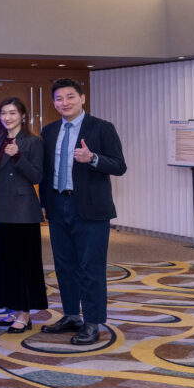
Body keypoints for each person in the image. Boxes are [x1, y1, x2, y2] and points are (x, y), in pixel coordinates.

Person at [40, 78, 126, 345]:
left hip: (90, 208)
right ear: (54, 103)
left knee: (91, 267)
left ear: (82, 98)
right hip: (58, 205)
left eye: (70, 97)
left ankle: (92, 321)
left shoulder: (101, 127)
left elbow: (119, 165)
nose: (64, 103)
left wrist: (93, 159)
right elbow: (45, 170)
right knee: (64, 265)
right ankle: (70, 315)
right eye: (59, 99)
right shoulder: (49, 130)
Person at [0, 96, 47, 333]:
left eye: (12, 113)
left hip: (23, 212)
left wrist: (18, 156)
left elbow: (37, 176)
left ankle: (24, 313)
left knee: (23, 265)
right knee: (6, 264)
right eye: (3, 113)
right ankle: (13, 309)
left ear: (23, 116)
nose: (7, 117)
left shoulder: (33, 142)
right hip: (0, 211)